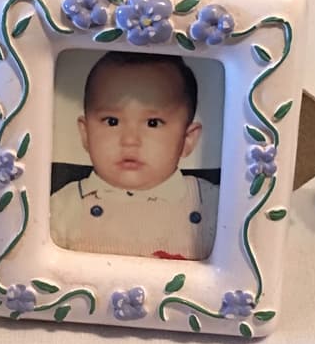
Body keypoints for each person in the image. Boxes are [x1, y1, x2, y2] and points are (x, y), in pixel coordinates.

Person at [51, 52, 217, 260]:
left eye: (153, 123)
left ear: (187, 139)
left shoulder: (211, 204)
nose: (130, 140)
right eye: (112, 121)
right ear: (85, 134)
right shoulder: (64, 207)